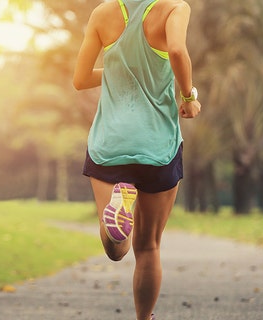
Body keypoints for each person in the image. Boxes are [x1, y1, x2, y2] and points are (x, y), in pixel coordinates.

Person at [72, 0, 201, 319]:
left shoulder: (103, 14)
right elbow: (176, 52)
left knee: (118, 249)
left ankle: (117, 217)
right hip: (156, 146)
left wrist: (120, 66)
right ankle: (144, 318)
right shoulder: (174, 9)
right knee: (149, 248)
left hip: (110, 144)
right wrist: (188, 97)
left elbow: (80, 79)